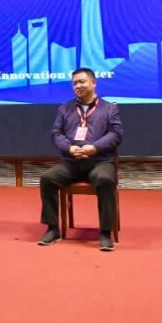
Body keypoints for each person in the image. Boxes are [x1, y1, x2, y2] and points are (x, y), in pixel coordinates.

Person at [38, 68, 123, 251]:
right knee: (47, 178)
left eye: (82, 81)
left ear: (93, 83)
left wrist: (94, 148)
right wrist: (70, 148)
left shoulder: (110, 108)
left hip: (100, 161)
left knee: (105, 180)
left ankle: (105, 232)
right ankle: (52, 228)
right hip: (72, 162)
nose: (78, 86)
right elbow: (56, 134)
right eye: (75, 83)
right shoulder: (65, 108)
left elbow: (115, 135)